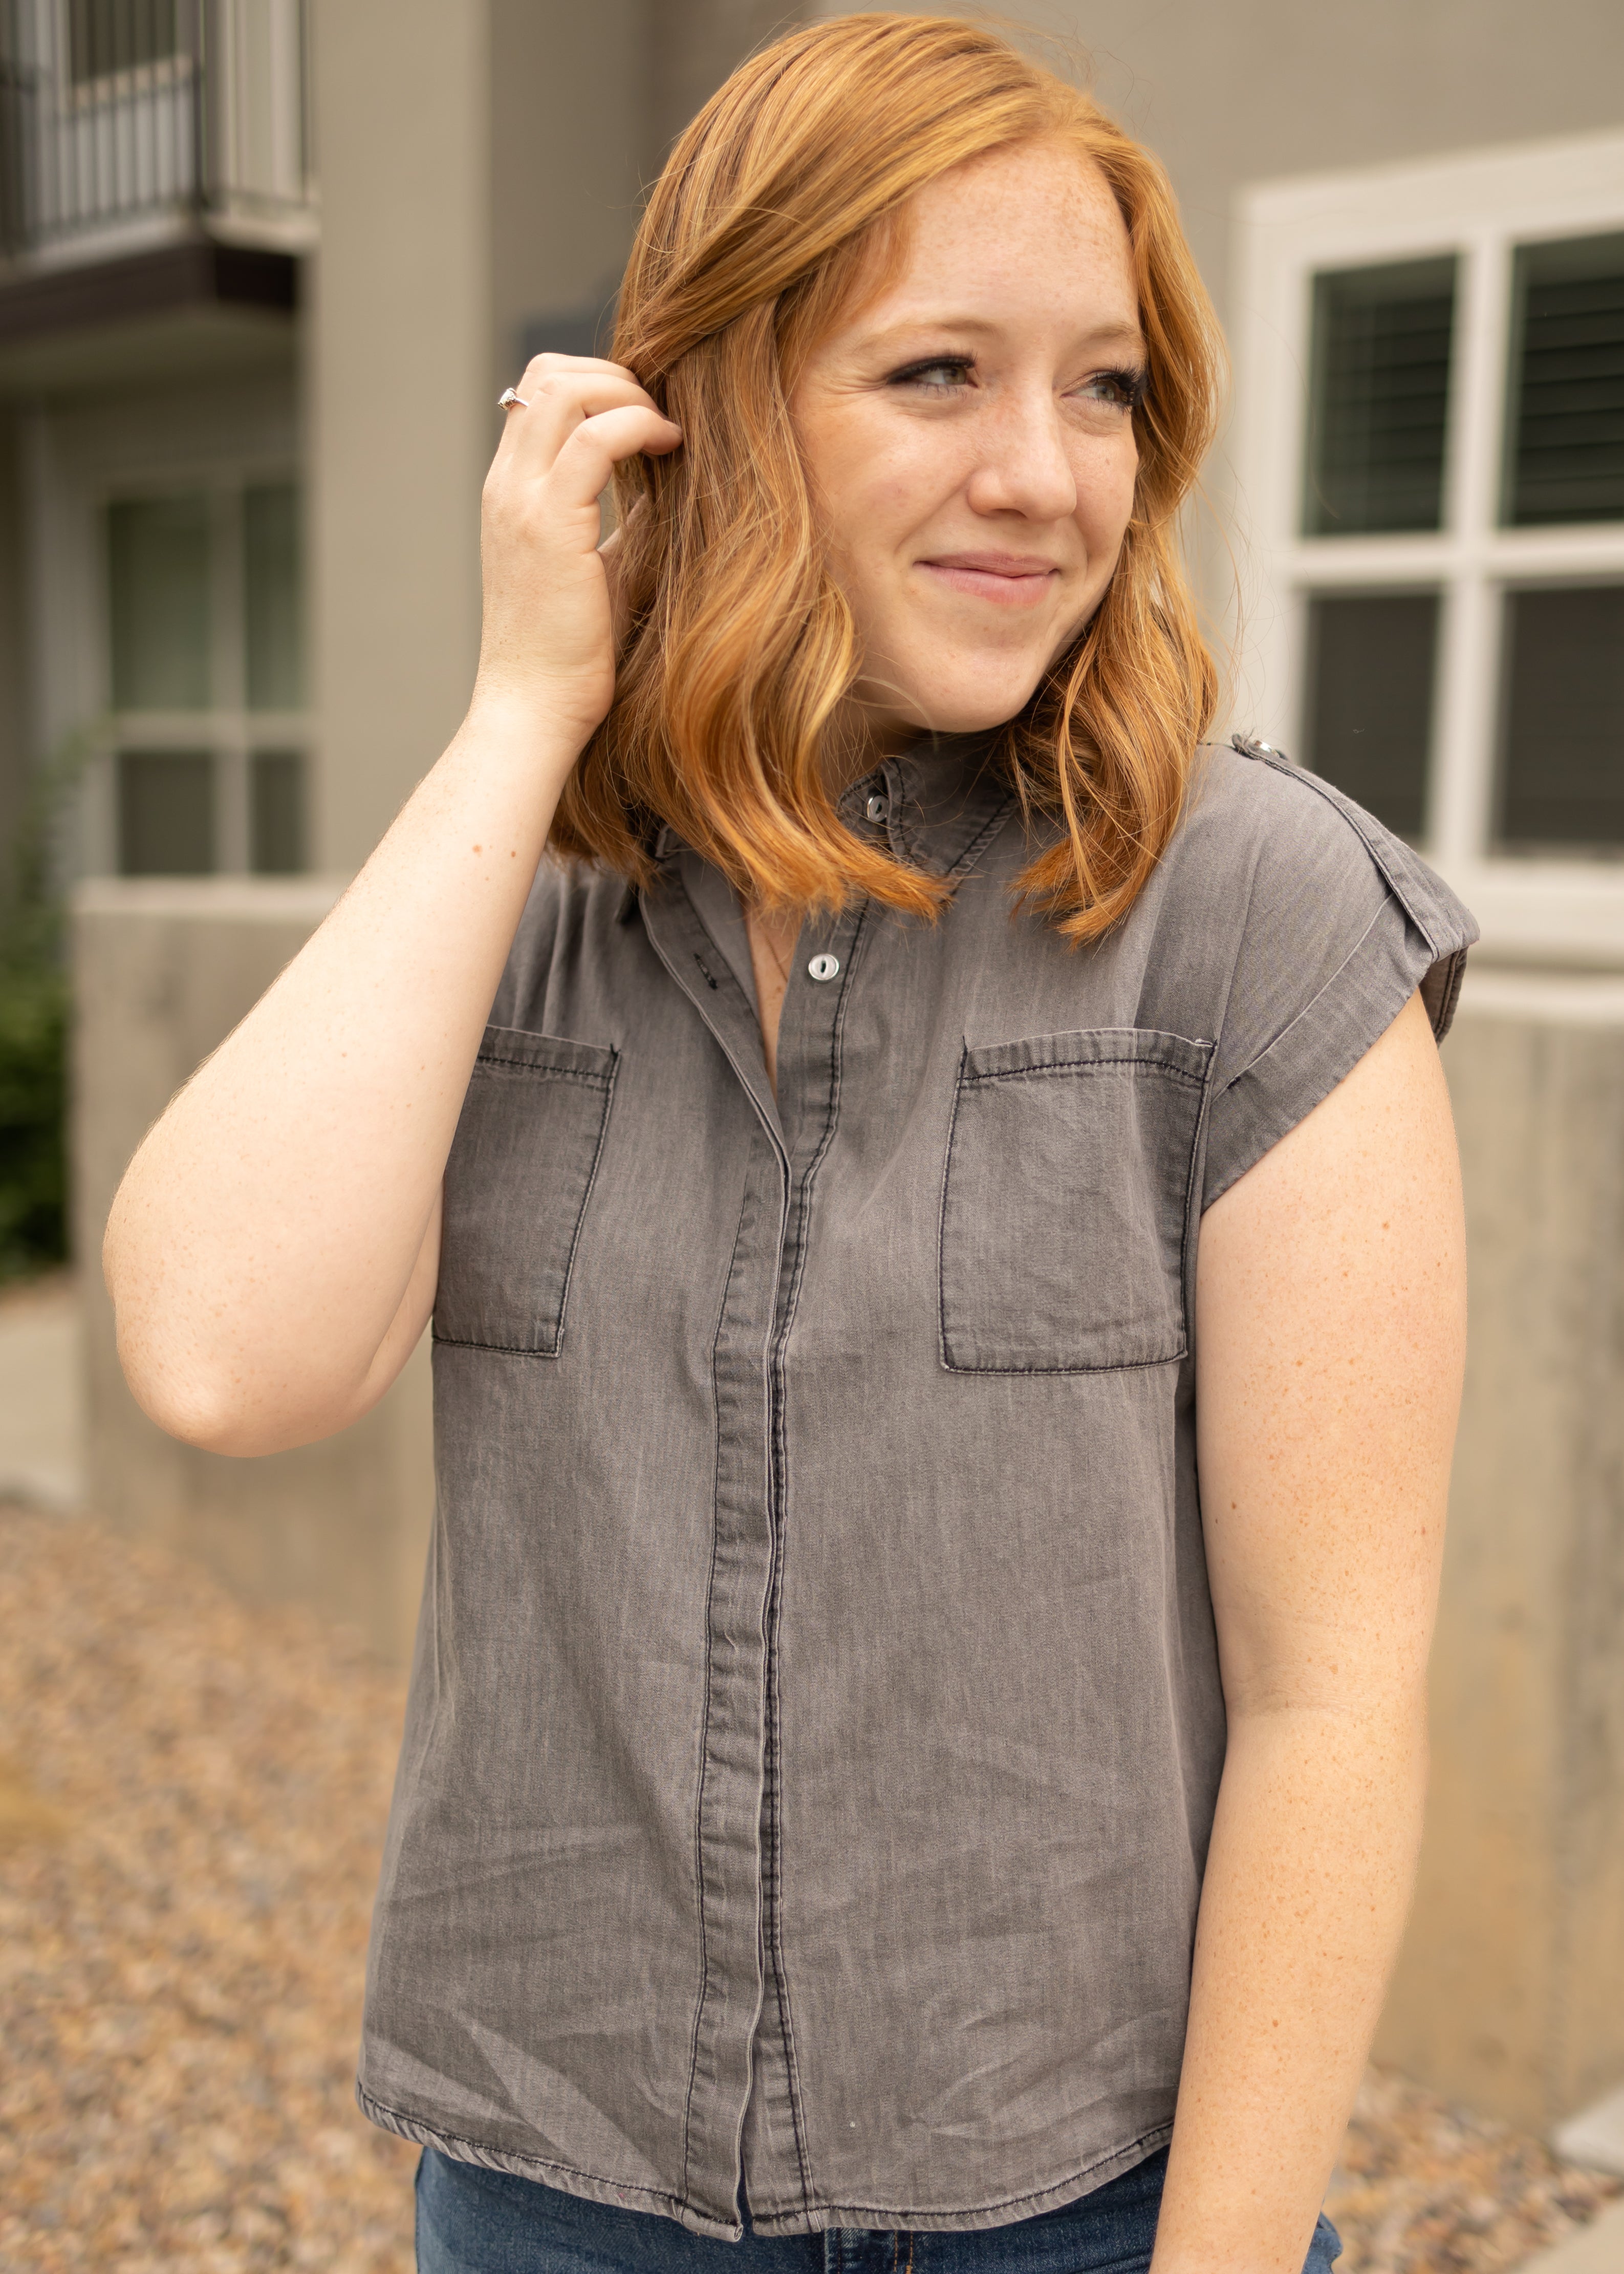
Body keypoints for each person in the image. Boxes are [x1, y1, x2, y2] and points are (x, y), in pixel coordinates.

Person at [103, 16, 1476, 2273]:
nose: (1044, 470)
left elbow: (1333, 1699)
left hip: (1080, 2211)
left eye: (1103, 386)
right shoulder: (515, 906)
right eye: (935, 372)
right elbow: (228, 1357)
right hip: (559, 2198)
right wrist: (528, 699)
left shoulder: (1249, 915)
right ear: (715, 410)